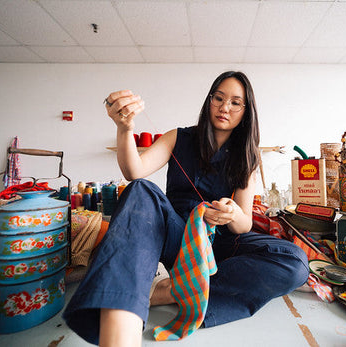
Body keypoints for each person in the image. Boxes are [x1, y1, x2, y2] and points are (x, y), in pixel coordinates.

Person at [63, 71, 309, 346]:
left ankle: (170, 292)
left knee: (295, 262)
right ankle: (123, 326)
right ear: (209, 100)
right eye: (219, 98)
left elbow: (244, 225)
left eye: (235, 103)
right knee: (141, 190)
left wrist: (231, 213)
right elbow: (134, 171)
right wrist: (125, 128)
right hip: (179, 236)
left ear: (246, 111)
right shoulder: (177, 138)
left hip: (220, 245)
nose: (224, 107)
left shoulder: (247, 156)